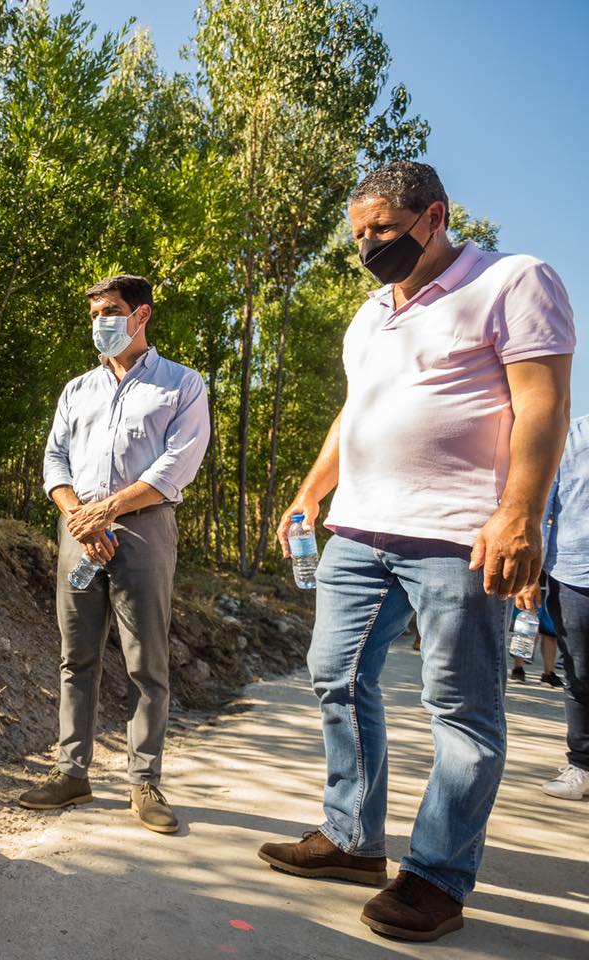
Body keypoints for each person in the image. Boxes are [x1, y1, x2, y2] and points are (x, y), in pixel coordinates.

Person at [256, 162, 575, 942]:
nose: (368, 246)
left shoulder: (513, 280)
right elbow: (354, 412)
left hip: (461, 534)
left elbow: (543, 401)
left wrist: (521, 514)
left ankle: (436, 873)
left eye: (384, 231)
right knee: (334, 672)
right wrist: (309, 490)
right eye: (359, 233)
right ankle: (353, 840)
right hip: (360, 529)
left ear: (435, 216)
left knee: (462, 708)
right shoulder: (369, 314)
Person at [17, 274, 210, 834]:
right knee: (75, 657)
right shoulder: (77, 389)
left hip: (145, 532)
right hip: (77, 534)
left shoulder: (181, 385)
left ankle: (144, 781)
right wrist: (81, 517)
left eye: (111, 310)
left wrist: (110, 511)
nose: (100, 322)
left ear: (141, 315)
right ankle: (71, 772)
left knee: (145, 661)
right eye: (95, 313)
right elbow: (55, 461)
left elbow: (177, 465)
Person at [530, 414, 589, 800]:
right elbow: (540, 504)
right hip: (575, 573)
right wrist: (532, 575)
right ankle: (583, 767)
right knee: (579, 673)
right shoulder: (571, 435)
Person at [509, 584, 562, 687]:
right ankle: (518, 669)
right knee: (525, 629)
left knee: (550, 634)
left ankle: (549, 674)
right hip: (530, 586)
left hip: (552, 587)